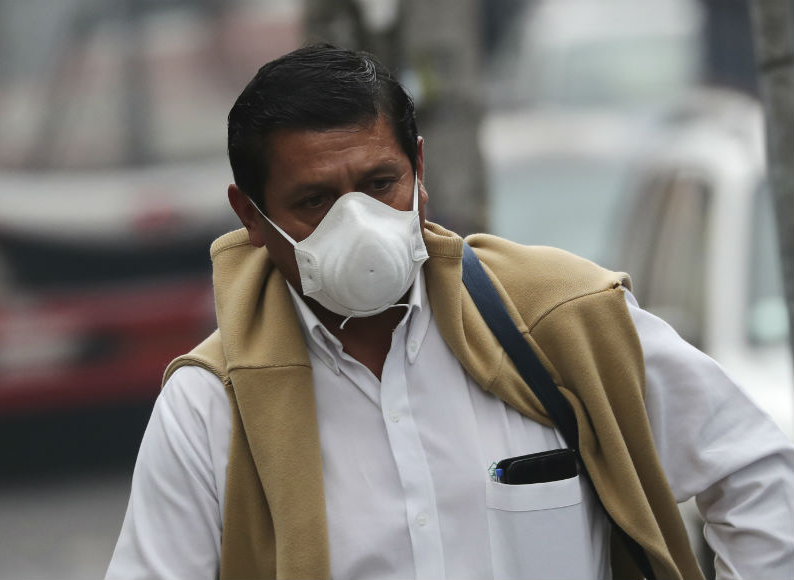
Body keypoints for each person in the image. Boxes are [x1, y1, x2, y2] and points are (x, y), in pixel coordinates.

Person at [105, 44, 794, 580]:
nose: (360, 223)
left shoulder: (558, 322)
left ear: (419, 174)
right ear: (251, 218)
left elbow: (756, 467)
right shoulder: (210, 408)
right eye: (314, 201)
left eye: (380, 184)